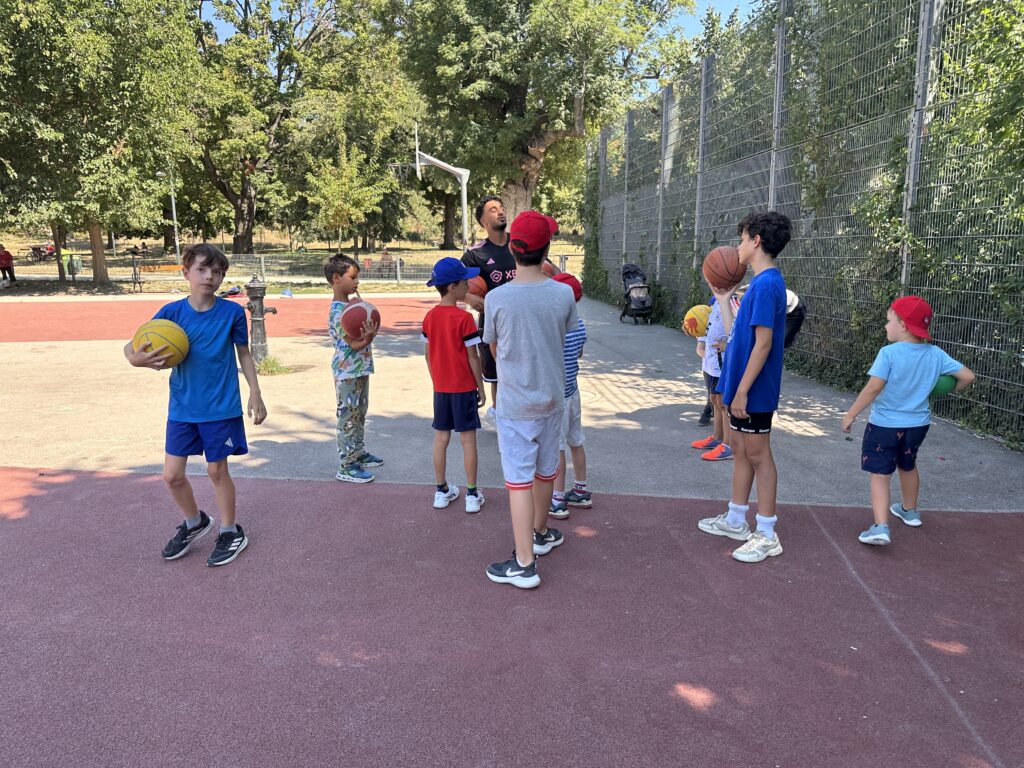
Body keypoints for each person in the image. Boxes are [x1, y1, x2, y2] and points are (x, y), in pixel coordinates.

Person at [123, 244, 266, 566]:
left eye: (217, 271)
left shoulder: (231, 313)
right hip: (182, 408)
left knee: (217, 470)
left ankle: (230, 531)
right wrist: (136, 359)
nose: (209, 276)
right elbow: (131, 346)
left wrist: (255, 392)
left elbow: (244, 354)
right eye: (202, 269)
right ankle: (194, 522)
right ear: (186, 272)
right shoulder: (171, 314)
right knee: (172, 476)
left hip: (221, 407)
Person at [483, 211, 578, 589]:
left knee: (519, 481)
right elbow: (565, 337)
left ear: (512, 247)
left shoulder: (496, 298)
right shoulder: (563, 293)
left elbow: (493, 347)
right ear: (547, 249)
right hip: (553, 397)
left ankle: (524, 563)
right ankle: (540, 533)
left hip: (516, 404)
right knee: (545, 472)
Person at [697, 211, 792, 563]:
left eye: (742, 239)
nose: (738, 246)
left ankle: (767, 533)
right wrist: (724, 301)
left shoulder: (766, 286)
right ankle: (736, 518)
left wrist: (742, 391)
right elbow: (739, 334)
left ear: (757, 241)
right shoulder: (757, 286)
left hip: (755, 390)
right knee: (740, 450)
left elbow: (763, 344)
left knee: (759, 456)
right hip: (742, 385)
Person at [841, 296, 975, 545]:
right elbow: (967, 376)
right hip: (917, 425)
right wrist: (940, 390)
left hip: (884, 425)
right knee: (908, 465)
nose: (886, 325)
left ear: (902, 325)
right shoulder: (935, 354)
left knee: (880, 474)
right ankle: (910, 511)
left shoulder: (888, 353)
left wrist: (851, 414)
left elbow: (874, 387)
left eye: (888, 320)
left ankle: (881, 527)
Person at [422, 257, 487, 513]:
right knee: (468, 441)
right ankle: (471, 494)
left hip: (441, 388)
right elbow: (473, 357)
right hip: (463, 387)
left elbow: (428, 354)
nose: (468, 286)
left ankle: (441, 491)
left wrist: (436, 380)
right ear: (452, 287)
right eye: (464, 282)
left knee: (441, 439)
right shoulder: (465, 319)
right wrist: (480, 386)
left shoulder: (429, 317)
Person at [325, 253, 382, 483]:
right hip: (347, 372)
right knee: (347, 417)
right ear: (336, 278)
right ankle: (347, 465)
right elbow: (353, 344)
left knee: (360, 413)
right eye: (353, 277)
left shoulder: (352, 306)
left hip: (360, 369)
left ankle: (358, 452)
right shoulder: (338, 311)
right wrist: (368, 338)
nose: (357, 282)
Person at [461, 195, 518, 424]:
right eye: (493, 209)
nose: (500, 211)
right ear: (483, 221)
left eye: (501, 207)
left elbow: (545, 269)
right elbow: (449, 282)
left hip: (523, 320)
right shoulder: (476, 254)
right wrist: (468, 296)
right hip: (494, 323)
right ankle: (501, 417)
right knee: (496, 375)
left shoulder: (519, 244)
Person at [548, 272, 591, 519]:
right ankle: (581, 491)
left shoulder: (554, 328)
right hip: (573, 391)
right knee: (576, 441)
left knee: (558, 449)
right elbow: (578, 354)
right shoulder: (579, 325)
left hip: (558, 396)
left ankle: (557, 500)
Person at [691, 288, 734, 461]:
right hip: (710, 362)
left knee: (724, 403)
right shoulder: (715, 301)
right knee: (715, 400)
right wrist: (694, 330)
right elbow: (706, 325)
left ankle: (729, 445)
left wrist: (728, 345)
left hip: (721, 362)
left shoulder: (733, 302)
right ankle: (717, 438)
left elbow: (738, 330)